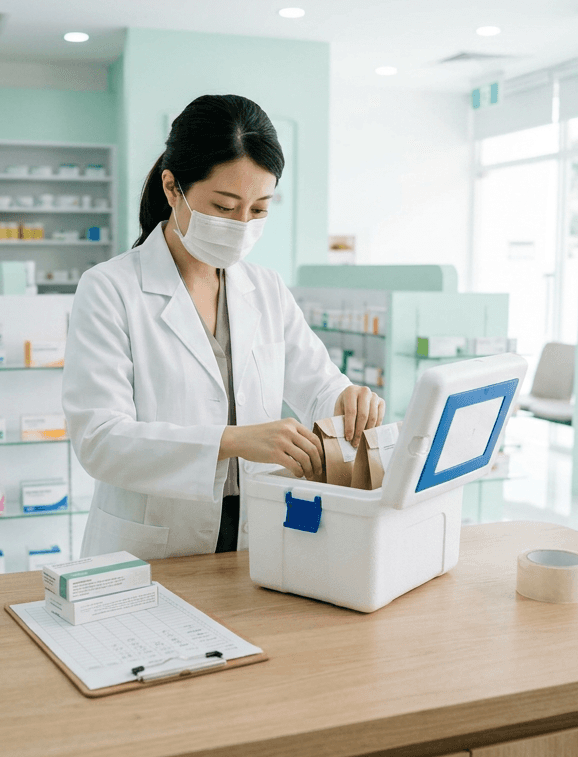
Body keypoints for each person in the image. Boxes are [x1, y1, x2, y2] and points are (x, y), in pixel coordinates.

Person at [63, 94, 383, 559]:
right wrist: (233, 441)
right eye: (224, 206)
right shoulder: (110, 289)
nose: (241, 225)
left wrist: (347, 399)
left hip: (255, 533)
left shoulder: (266, 288)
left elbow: (319, 383)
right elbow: (100, 440)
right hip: (151, 544)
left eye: (258, 210)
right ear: (173, 189)